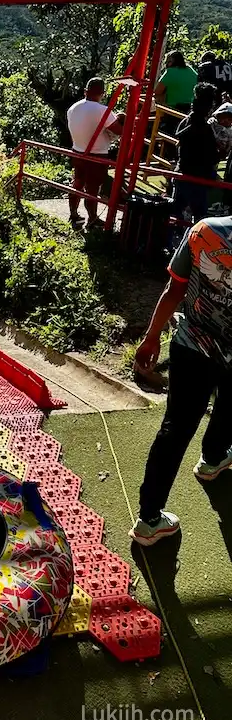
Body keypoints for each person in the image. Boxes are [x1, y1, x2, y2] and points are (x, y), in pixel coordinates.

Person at [130, 215, 232, 545]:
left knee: (175, 428)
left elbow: (175, 288)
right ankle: (212, 461)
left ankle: (149, 519)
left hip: (192, 346)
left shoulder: (205, 230)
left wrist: (151, 337)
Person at [67, 77, 124, 230]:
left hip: (77, 150)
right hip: (97, 154)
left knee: (77, 183)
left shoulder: (73, 108)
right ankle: (92, 218)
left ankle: (73, 213)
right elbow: (119, 130)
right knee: (92, 188)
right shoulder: (102, 111)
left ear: (85, 91)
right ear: (102, 93)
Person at [172, 82, 219, 226]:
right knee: (200, 219)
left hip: (182, 172)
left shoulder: (186, 122)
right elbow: (210, 156)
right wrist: (220, 153)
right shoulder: (204, 129)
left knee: (175, 212)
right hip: (198, 178)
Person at [155, 50, 198, 134]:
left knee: (167, 132)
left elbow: (157, 91)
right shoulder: (191, 70)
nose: (167, 64)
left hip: (173, 110)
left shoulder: (170, 72)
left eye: (168, 61)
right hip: (190, 110)